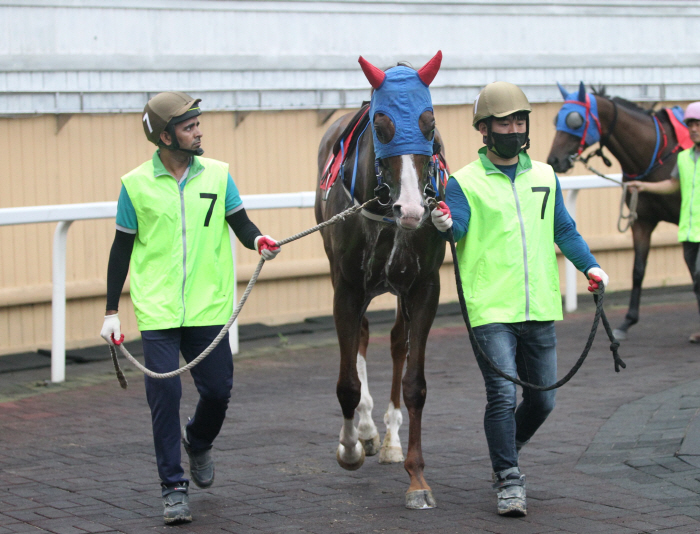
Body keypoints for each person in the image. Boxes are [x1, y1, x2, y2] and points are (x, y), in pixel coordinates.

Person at [99, 92, 281, 525]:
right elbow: (120, 250)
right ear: (165, 136)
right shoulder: (135, 185)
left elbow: (240, 223)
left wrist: (258, 240)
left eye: (198, 124)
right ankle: (173, 488)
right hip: (158, 311)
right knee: (165, 397)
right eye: (188, 127)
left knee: (218, 392)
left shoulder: (218, 175)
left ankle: (198, 440)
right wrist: (110, 312)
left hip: (208, 306)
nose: (198, 132)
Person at [430, 81, 609, 517]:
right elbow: (458, 231)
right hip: (489, 307)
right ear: (484, 130)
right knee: (503, 395)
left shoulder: (545, 175)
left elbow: (562, 229)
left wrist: (590, 266)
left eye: (518, 121)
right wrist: (441, 222)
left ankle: (507, 448)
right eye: (502, 122)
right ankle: (508, 477)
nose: (512, 128)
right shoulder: (463, 182)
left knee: (544, 399)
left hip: (539, 305)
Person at [627, 102, 700, 343]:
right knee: (697, 283)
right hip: (689, 233)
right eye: (692, 125)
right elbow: (672, 185)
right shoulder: (683, 159)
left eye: (699, 125)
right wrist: (643, 185)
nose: (695, 130)